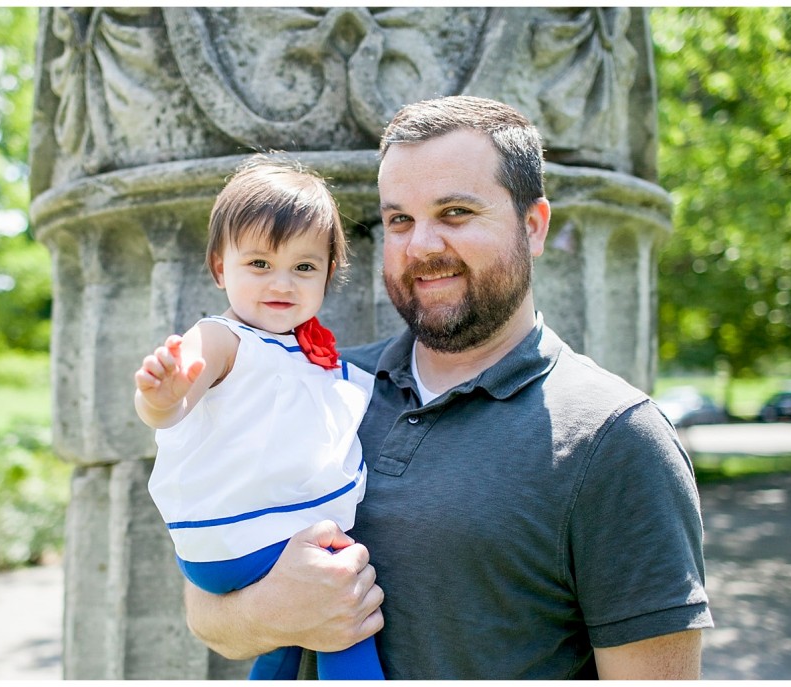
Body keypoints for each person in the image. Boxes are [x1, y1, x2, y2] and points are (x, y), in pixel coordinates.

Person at [181, 96, 714, 679]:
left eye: (455, 212)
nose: (422, 246)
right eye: (399, 220)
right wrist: (274, 612)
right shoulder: (322, 386)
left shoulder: (617, 439)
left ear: (533, 227)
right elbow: (207, 609)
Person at [133, 156, 384, 680]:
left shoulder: (307, 353)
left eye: (305, 267)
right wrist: (164, 396)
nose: (283, 283)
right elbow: (174, 401)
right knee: (340, 593)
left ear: (329, 275)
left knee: (286, 634)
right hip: (244, 539)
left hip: (243, 542)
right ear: (221, 267)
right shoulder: (224, 338)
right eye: (260, 264)